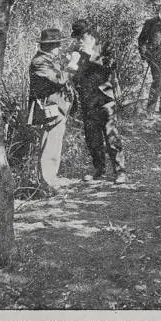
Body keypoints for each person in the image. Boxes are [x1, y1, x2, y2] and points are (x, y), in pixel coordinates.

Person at [69, 19, 127, 184]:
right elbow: (75, 75)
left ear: (91, 35)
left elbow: (111, 65)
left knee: (111, 135)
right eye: (77, 37)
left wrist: (91, 54)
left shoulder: (105, 47)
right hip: (87, 100)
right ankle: (98, 168)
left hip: (105, 99)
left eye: (82, 37)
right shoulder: (76, 51)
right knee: (92, 137)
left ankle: (120, 171)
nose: (79, 40)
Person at [27, 28, 77, 194]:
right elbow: (59, 79)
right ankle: (47, 185)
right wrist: (71, 66)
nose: (59, 48)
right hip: (49, 108)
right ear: (50, 45)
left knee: (54, 144)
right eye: (57, 45)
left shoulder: (48, 59)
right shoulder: (40, 62)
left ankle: (49, 181)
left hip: (57, 107)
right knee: (50, 145)